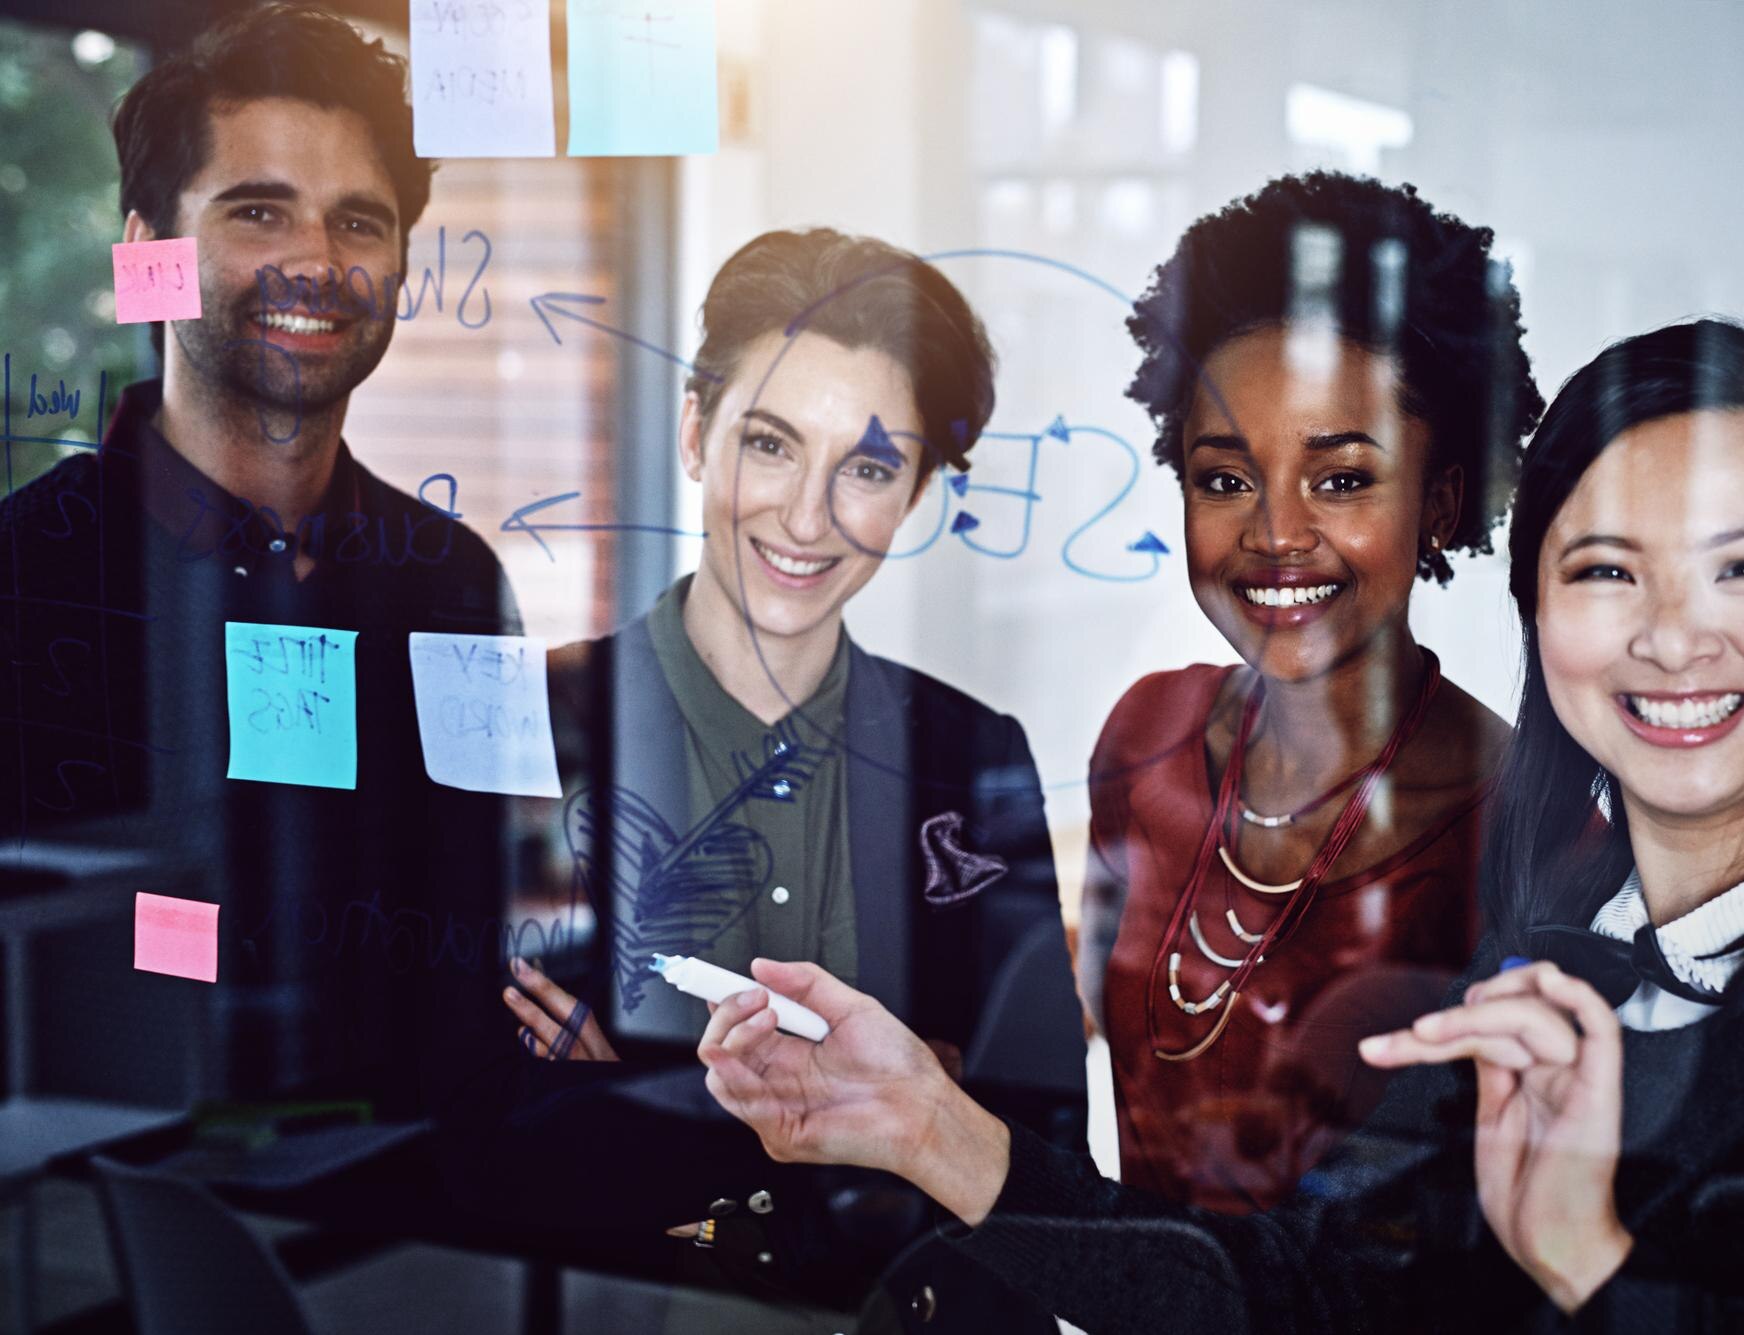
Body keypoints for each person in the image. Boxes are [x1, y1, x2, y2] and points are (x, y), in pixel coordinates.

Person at [696, 319, 1744, 1332]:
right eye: (1606, 568)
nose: (1671, 635)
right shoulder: (1547, 965)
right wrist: (926, 1121)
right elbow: (1283, 1296)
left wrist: (1588, 1262)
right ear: (1540, 611)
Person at [439, 228, 1086, 1332]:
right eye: (771, 445)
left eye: (869, 469)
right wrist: (899, 1103)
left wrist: (624, 1097)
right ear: (696, 433)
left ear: (916, 492)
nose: (804, 516)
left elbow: (1037, 1156)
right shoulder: (517, 727)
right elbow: (456, 1140)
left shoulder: (971, 755)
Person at [0, 3, 516, 1113]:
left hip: (407, 1208)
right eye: (257, 210)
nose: (315, 264)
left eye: (359, 224)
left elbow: (472, 933)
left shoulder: (455, 583)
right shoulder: (19, 575)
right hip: (99, 1214)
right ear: (146, 257)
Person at [1076, 171, 1538, 1211]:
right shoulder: (1144, 735)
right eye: (1224, 479)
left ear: (1441, 499)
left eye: (1340, 480)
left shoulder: (1524, 822)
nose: (1274, 534)